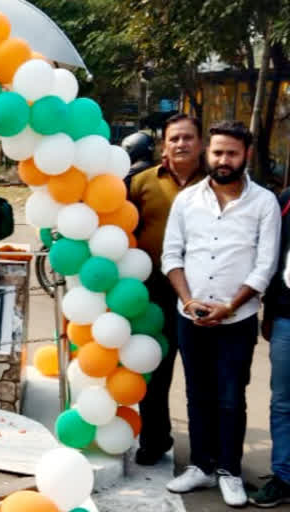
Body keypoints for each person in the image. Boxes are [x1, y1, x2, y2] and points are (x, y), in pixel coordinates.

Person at [162, 120, 280, 507]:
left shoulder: (264, 203)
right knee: (196, 394)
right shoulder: (187, 200)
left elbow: (265, 265)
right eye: (217, 152)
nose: (223, 159)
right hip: (190, 314)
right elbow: (172, 255)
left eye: (231, 152)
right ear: (207, 154)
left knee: (230, 397)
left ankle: (229, 470)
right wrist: (189, 301)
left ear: (245, 154)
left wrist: (229, 305)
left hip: (237, 319)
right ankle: (201, 466)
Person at [128, 113, 207, 467]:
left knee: (203, 376)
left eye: (188, 138)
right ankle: (154, 439)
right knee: (155, 370)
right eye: (174, 138)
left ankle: (209, 451)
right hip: (154, 292)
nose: (181, 144)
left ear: (200, 143)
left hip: (205, 291)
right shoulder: (141, 182)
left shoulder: (217, 182)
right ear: (164, 144)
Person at [251, 190, 290, 506]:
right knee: (283, 403)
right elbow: (273, 256)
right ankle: (283, 475)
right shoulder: (287, 199)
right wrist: (269, 312)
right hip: (287, 318)